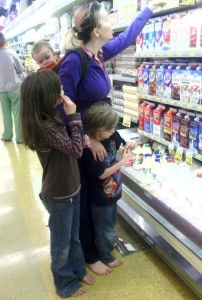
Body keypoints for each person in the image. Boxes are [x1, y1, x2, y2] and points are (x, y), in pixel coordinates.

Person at [58, 0, 166, 275]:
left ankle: (99, 244)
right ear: (96, 30)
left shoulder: (99, 54)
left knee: (100, 191)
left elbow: (129, 37)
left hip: (99, 133)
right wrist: (86, 138)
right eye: (107, 18)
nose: (112, 22)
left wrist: (150, 8)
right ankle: (90, 255)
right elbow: (60, 105)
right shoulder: (74, 60)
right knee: (85, 199)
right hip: (82, 140)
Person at [19, 70, 94, 298]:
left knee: (73, 236)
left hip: (71, 187)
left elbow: (72, 147)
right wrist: (74, 117)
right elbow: (75, 151)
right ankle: (65, 284)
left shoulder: (50, 118)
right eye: (59, 89)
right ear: (48, 96)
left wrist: (79, 137)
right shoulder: (46, 127)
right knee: (61, 245)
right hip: (59, 193)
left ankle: (78, 269)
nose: (63, 91)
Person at [82, 102, 136, 267]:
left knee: (111, 222)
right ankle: (105, 256)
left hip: (113, 192)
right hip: (100, 196)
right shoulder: (91, 150)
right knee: (103, 226)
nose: (113, 130)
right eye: (109, 128)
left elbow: (121, 141)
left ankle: (106, 242)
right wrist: (122, 162)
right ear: (96, 128)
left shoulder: (112, 136)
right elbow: (100, 174)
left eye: (114, 127)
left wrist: (129, 145)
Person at [0, 31, 24, 144]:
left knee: (6, 113)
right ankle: (19, 137)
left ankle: (7, 135)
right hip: (14, 87)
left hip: (1, 89)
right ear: (5, 40)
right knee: (17, 113)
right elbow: (20, 68)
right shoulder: (11, 53)